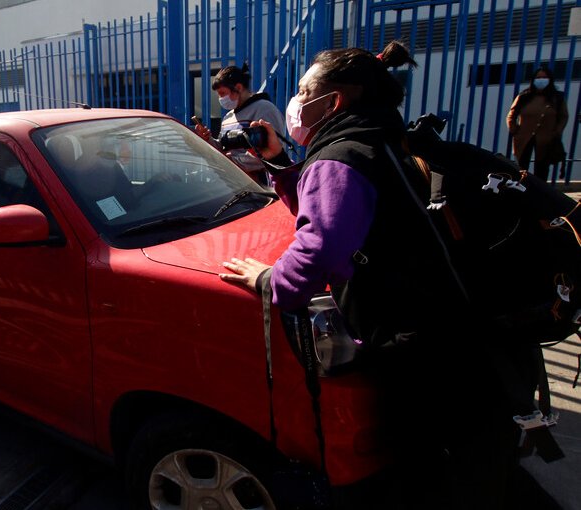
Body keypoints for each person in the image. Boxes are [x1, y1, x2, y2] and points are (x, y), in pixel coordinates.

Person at [219, 41, 540, 509]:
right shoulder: (387, 138)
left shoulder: (340, 158)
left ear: (333, 102)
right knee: (481, 469)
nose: (295, 100)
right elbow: (338, 213)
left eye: (304, 89)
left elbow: (319, 250)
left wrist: (269, 280)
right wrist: (284, 165)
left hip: (423, 354)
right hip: (471, 336)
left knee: (433, 475)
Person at [193, 63, 286, 185]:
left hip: (261, 186)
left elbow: (274, 150)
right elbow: (223, 148)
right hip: (234, 184)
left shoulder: (264, 109)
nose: (221, 99)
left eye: (222, 93)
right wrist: (207, 139)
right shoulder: (228, 116)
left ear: (238, 87)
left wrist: (232, 162)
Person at [506, 66, 569, 181]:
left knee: (542, 168)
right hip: (523, 137)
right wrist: (514, 129)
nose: (541, 80)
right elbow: (512, 115)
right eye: (538, 77)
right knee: (521, 167)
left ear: (550, 79)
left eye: (544, 77)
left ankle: (539, 191)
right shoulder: (524, 96)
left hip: (546, 138)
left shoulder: (557, 98)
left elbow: (563, 116)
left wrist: (557, 131)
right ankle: (520, 187)